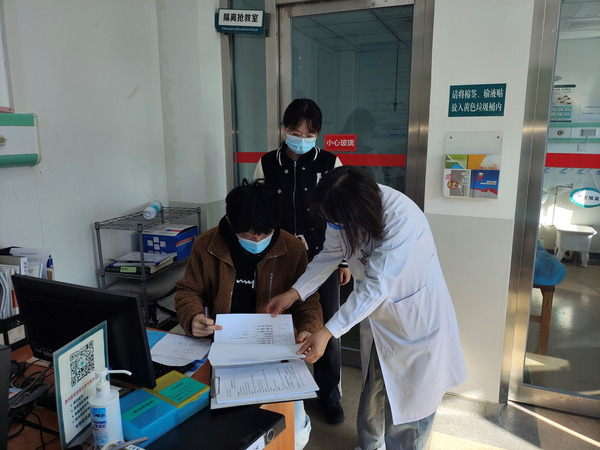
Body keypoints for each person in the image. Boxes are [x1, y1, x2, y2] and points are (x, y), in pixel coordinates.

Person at [266, 166, 467, 450]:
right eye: (330, 221)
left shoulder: (400, 218)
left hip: (415, 320)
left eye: (337, 222)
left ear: (357, 213)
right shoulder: (340, 212)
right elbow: (330, 255)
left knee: (411, 404)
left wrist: (327, 332)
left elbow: (377, 287)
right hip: (378, 317)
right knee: (374, 389)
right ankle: (370, 446)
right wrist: (294, 292)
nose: (333, 226)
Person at [175, 179, 323, 450]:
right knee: (215, 429)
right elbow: (188, 291)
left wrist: (308, 329)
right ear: (230, 221)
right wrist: (192, 316)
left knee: (294, 435)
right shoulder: (207, 245)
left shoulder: (292, 248)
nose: (257, 241)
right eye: (248, 236)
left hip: (274, 352)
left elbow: (308, 301)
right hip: (221, 349)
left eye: (265, 235)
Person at [254, 98, 351, 425]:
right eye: (296, 133)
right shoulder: (267, 163)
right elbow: (257, 209)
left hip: (323, 256)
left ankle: (329, 395)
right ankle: (280, 390)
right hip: (279, 257)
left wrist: (344, 262)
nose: (302, 139)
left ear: (318, 134)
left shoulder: (330, 162)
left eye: (309, 135)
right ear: (284, 129)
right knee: (279, 323)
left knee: (327, 327)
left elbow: (341, 214)